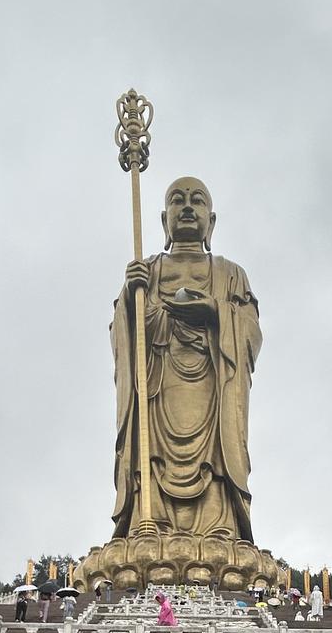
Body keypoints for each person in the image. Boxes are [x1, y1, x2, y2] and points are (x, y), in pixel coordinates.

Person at [112, 178, 262, 541]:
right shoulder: (146, 271)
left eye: (198, 201)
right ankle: (151, 524)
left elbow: (250, 332)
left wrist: (214, 310)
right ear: (165, 220)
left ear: (212, 221)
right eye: (178, 201)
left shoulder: (230, 273)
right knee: (150, 453)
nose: (188, 208)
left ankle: (218, 528)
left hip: (213, 391)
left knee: (216, 458)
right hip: (158, 386)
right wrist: (131, 297)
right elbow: (123, 334)